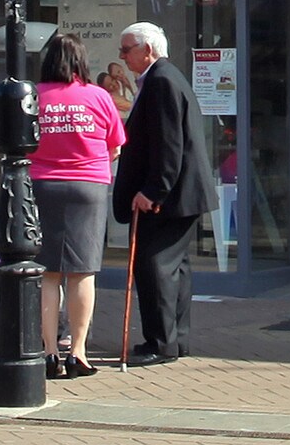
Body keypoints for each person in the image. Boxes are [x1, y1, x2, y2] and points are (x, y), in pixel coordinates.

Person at [112, 22, 214, 363]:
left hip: (168, 196)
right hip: (179, 194)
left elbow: (169, 143)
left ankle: (160, 343)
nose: (122, 57)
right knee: (175, 267)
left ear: (148, 50)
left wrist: (153, 191)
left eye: (127, 50)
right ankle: (175, 339)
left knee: (154, 266)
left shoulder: (161, 81)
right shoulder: (164, 78)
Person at [31, 33, 126, 380]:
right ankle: (79, 352)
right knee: (82, 271)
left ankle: (48, 351)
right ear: (81, 62)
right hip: (88, 186)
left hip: (42, 185)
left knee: (47, 273)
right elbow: (116, 145)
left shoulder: (34, 96)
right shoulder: (99, 96)